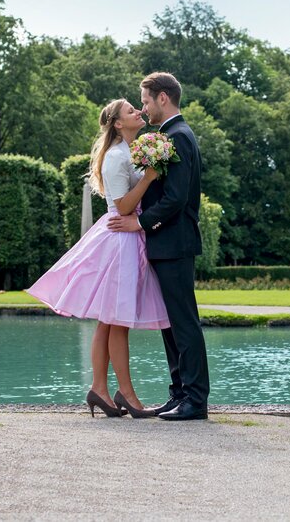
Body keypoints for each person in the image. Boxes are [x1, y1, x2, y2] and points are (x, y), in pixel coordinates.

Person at [28, 99, 168, 419]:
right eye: (131, 111)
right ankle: (127, 396)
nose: (138, 112)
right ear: (118, 124)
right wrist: (148, 177)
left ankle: (99, 389)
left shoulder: (128, 152)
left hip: (126, 238)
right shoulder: (117, 157)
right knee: (117, 322)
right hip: (119, 241)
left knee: (109, 321)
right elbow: (123, 207)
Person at [108, 72, 210, 421]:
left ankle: (195, 400)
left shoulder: (178, 137)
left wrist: (139, 221)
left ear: (163, 98)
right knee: (170, 323)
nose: (144, 106)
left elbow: (176, 198)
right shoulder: (167, 136)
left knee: (183, 322)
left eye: (147, 100)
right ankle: (179, 393)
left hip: (175, 243)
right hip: (164, 244)